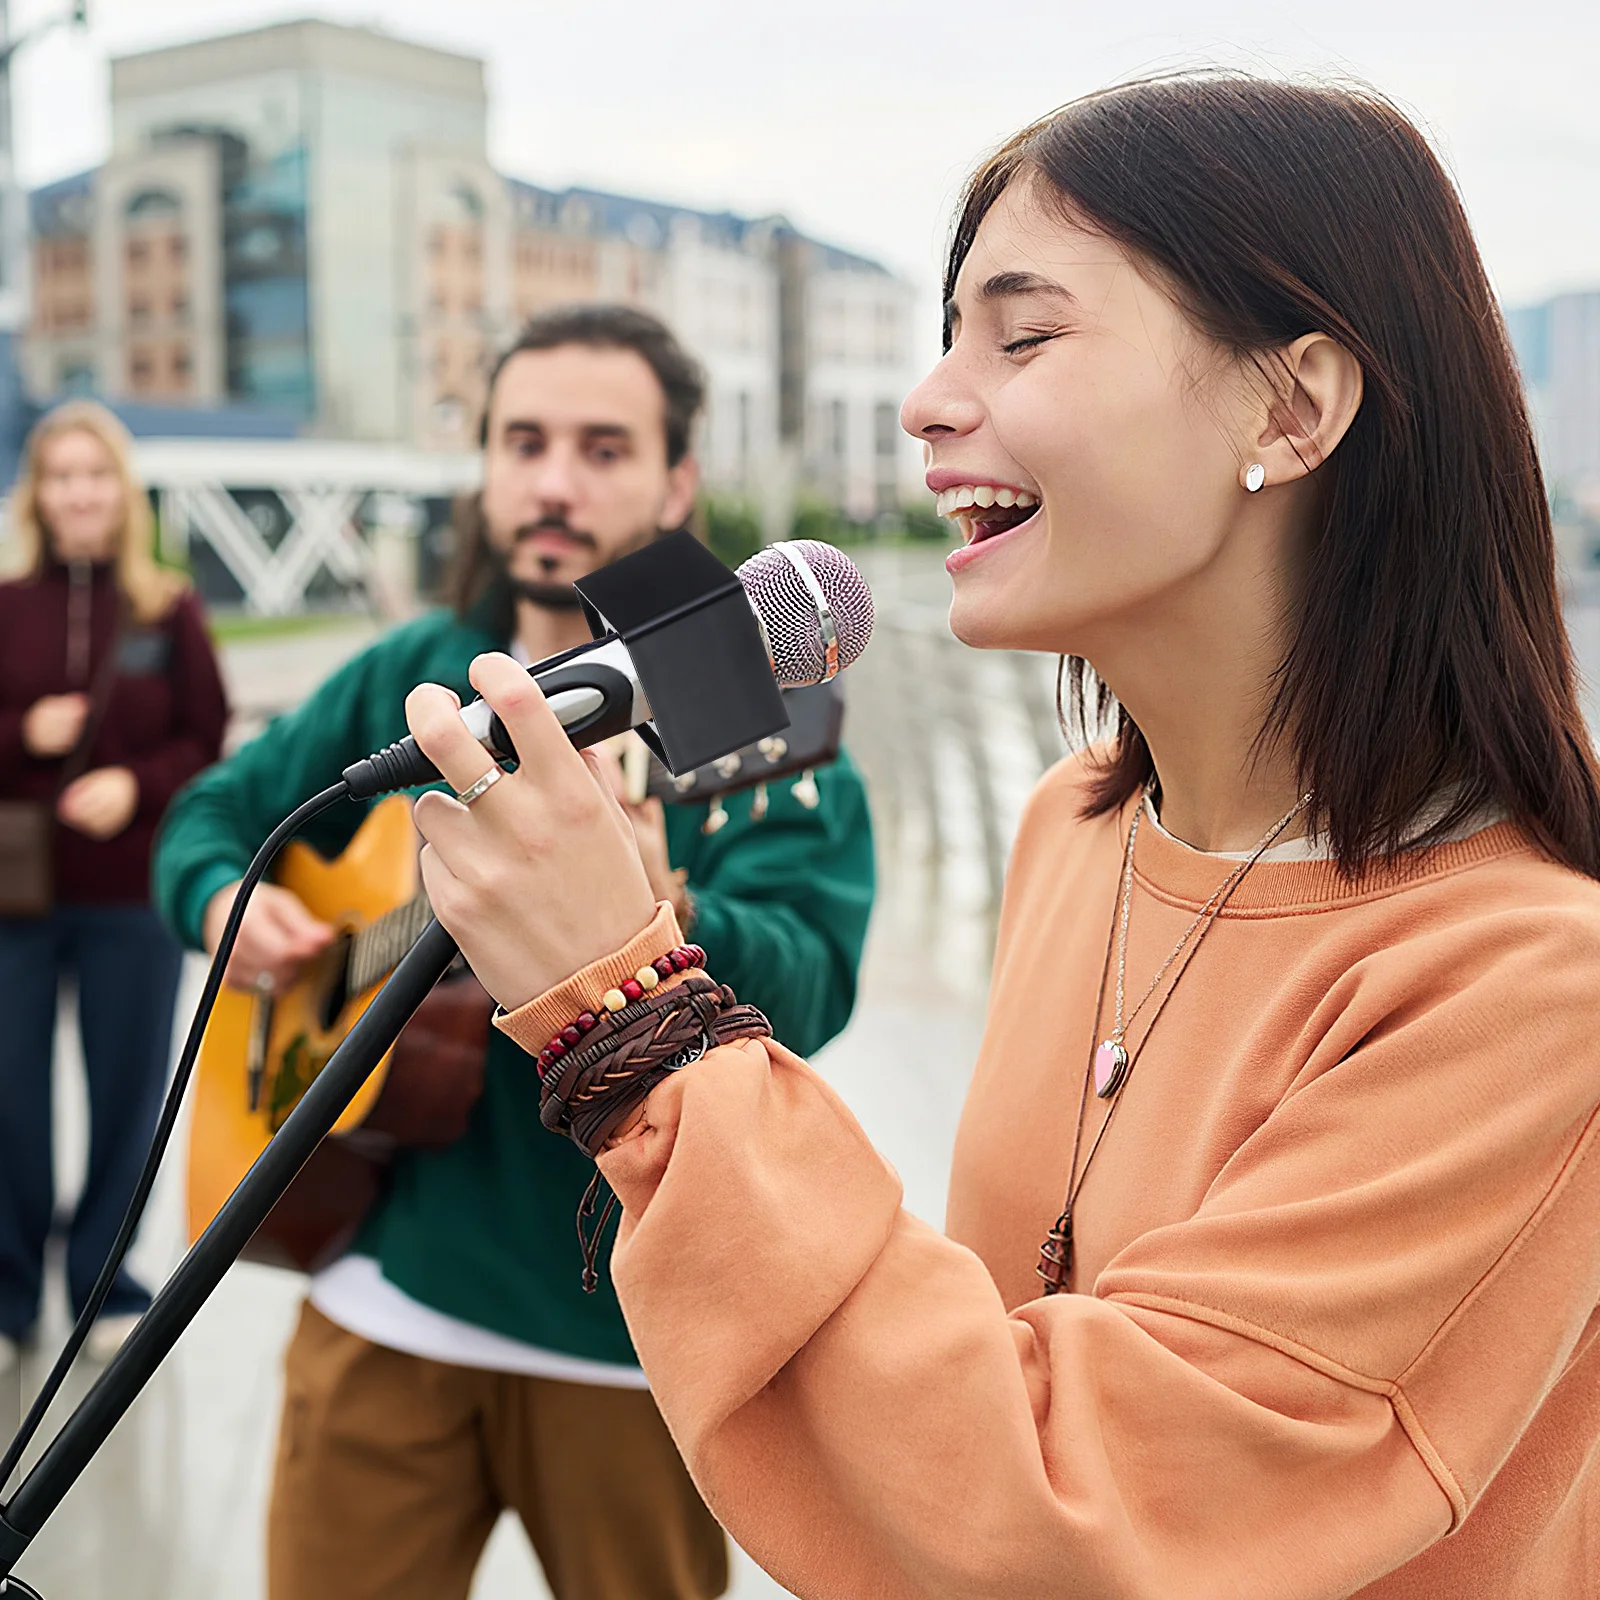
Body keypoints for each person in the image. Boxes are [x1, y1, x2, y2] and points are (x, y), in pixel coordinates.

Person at [399, 77, 1600, 1599]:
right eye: (950, 333)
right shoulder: (1076, 828)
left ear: (1291, 406)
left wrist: (625, 1008)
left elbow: (1064, 1516)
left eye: (1023, 336)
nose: (927, 400)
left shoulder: (1534, 986)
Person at [153, 304, 874, 1600]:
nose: (552, 482)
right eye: (523, 441)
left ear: (677, 480)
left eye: (603, 448)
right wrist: (222, 903)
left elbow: (814, 980)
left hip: (633, 1338)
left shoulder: (754, 723)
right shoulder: (414, 671)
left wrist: (660, 910)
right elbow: (217, 816)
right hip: (377, 1274)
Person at [0, 401, 228, 1378]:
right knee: (9, 1099)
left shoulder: (166, 606)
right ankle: (8, 1293)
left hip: (132, 892)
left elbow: (206, 739)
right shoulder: (5, 602)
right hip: (14, 899)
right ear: (38, 494)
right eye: (61, 476)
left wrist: (136, 783)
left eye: (96, 475)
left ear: (120, 492)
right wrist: (23, 735)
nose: (79, 493)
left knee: (126, 1092)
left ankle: (106, 1284)